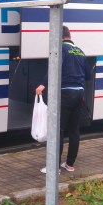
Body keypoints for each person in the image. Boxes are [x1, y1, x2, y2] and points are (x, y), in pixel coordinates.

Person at [36, 26, 91, 173]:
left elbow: (54, 68)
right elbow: (88, 75)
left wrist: (42, 84)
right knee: (74, 131)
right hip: (79, 93)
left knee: (58, 130)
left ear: (59, 37)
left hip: (65, 94)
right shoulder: (80, 51)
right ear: (69, 35)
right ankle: (70, 164)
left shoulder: (60, 50)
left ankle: (54, 167)